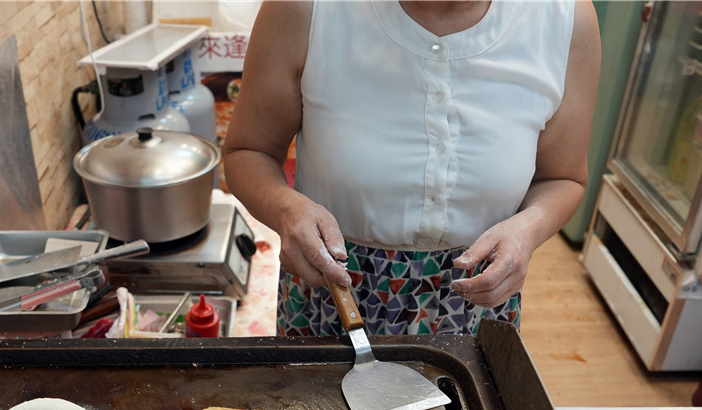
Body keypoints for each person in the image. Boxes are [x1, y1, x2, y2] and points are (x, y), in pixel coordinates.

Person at [223, 0, 600, 335]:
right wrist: (288, 210)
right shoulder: (306, 9)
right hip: (332, 297)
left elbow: (562, 177)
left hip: (477, 310)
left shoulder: (563, 18)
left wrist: (527, 231)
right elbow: (248, 151)